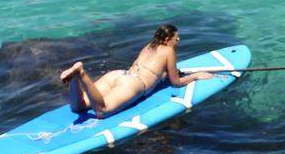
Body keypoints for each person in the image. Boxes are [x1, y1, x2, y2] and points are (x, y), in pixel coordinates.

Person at [60, 24, 214, 118]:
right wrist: (196, 76)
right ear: (167, 40)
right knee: (102, 111)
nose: (178, 42)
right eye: (177, 39)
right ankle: (81, 74)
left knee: (78, 107)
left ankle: (75, 79)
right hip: (133, 84)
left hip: (119, 75)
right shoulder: (168, 51)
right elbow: (176, 83)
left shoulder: (149, 46)